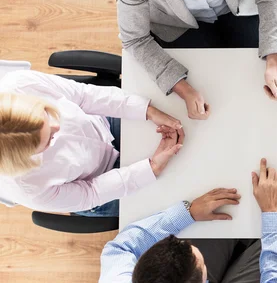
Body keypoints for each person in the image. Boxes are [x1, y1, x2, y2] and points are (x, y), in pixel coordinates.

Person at [99, 158, 277, 283]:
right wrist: (272, 212)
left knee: (226, 221)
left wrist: (188, 213)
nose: (195, 249)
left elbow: (120, 246)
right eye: (202, 264)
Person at [116, 0, 277, 121]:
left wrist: (273, 61)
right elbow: (135, 39)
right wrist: (183, 89)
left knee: (253, 84)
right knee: (206, 85)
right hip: (176, 25)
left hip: (238, 7)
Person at [0, 70, 183, 217]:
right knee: (176, 198)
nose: (58, 125)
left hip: (101, 124)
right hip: (94, 184)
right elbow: (91, 193)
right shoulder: (27, 187)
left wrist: (146, 110)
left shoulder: (20, 84)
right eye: (49, 140)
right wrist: (152, 167)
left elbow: (84, 96)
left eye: (47, 113)